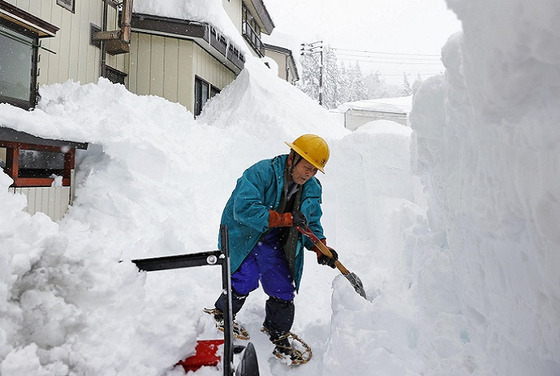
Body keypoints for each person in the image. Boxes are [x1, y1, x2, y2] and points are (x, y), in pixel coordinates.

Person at [210, 134, 339, 363]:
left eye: (314, 170)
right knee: (245, 277)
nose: (308, 174)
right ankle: (222, 314)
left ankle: (277, 332)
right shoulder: (261, 173)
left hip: (273, 241)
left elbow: (311, 223)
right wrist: (285, 218)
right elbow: (244, 208)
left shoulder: (312, 188)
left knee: (282, 286)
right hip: (244, 234)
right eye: (306, 167)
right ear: (293, 158)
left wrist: (320, 247)